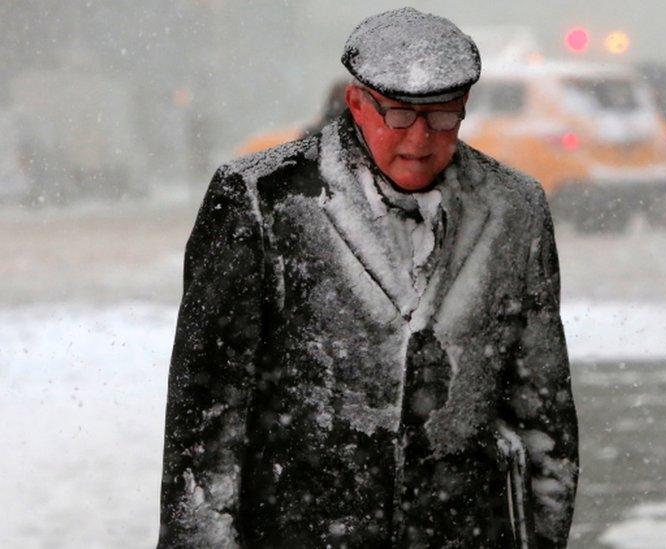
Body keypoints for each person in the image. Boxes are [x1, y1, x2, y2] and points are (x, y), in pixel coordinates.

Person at [157, 8, 579, 548]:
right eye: (400, 116)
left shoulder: (514, 207)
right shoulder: (263, 200)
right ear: (357, 102)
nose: (421, 139)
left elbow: (543, 407)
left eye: (444, 116)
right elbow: (206, 419)